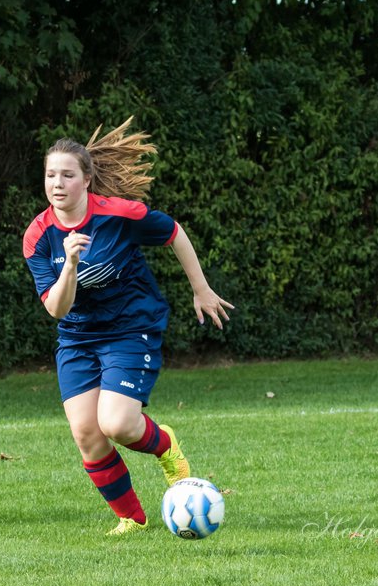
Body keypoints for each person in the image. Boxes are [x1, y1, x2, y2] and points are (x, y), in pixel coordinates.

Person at [22, 118, 234, 536]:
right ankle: (132, 519)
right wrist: (71, 266)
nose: (57, 183)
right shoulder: (39, 236)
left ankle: (166, 446)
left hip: (130, 328)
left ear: (87, 179)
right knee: (87, 434)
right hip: (78, 337)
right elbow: (57, 310)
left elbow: (172, 231)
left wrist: (201, 288)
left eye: (67, 175)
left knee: (117, 425)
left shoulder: (118, 215)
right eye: (50, 175)